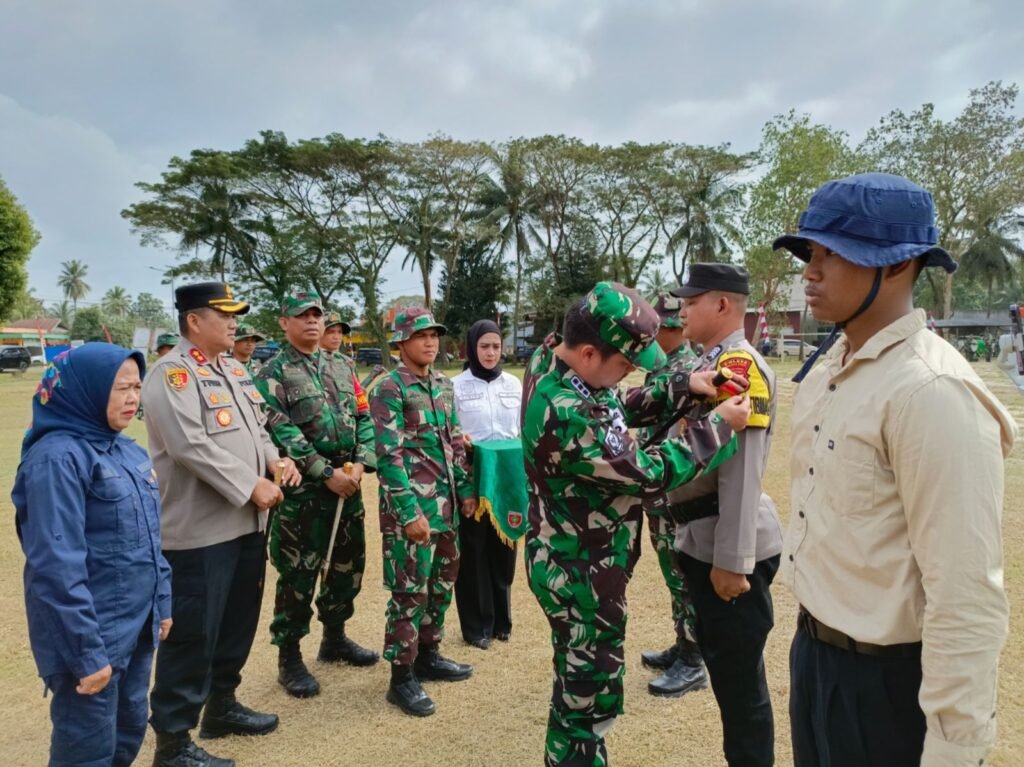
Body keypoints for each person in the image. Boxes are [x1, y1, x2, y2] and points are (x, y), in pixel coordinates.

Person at [774, 173, 1017, 766]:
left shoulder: (931, 392)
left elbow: (965, 594)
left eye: (835, 253)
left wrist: (954, 749)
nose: (812, 269)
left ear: (901, 265)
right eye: (811, 250)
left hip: (888, 689)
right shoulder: (833, 364)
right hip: (816, 658)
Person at [522, 281, 751, 766]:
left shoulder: (559, 371)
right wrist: (718, 428)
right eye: (624, 365)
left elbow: (614, 410)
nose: (628, 374)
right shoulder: (567, 412)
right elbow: (645, 473)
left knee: (581, 687)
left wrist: (681, 386)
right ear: (587, 352)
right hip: (579, 574)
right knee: (585, 699)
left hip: (577, 563)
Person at [143, 282, 301, 767]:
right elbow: (190, 446)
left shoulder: (233, 367)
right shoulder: (171, 375)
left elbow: (256, 430)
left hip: (247, 526)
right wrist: (251, 484)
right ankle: (172, 743)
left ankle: (222, 706)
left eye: (236, 315)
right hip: (200, 533)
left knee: (236, 624)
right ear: (194, 320)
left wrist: (277, 461)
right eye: (225, 314)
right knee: (193, 633)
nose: (235, 323)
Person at [13, 344, 171, 767]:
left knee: (128, 732)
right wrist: (86, 654)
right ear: (86, 390)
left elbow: (150, 539)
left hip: (135, 629)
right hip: (91, 636)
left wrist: (162, 605)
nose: (133, 398)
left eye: (137, 387)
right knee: (86, 751)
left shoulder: (126, 450)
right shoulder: (57, 458)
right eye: (120, 388)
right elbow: (55, 567)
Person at [662, 264, 784, 766]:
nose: (682, 309)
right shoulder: (709, 361)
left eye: (691, 301)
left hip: (726, 542)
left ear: (721, 305)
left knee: (740, 692)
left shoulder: (738, 365)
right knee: (731, 681)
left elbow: (741, 462)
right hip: (703, 534)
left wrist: (734, 558)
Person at [254, 291, 378, 699]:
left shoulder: (343, 365)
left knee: (347, 566)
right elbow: (279, 429)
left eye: (317, 315)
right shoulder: (272, 372)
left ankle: (335, 637)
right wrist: (324, 473)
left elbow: (363, 415)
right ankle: (289, 656)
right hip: (305, 491)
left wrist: (360, 463)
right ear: (284, 322)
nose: (312, 321)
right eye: (301, 315)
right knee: (298, 573)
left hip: (348, 484)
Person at [370, 308, 478, 718]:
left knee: (441, 585)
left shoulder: (443, 386)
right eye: (421, 336)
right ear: (401, 343)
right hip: (412, 512)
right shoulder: (389, 389)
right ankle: (401, 677)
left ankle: (428, 654)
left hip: (446, 508)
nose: (430, 342)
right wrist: (408, 512)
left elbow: (453, 442)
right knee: (409, 592)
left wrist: (466, 491)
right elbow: (388, 456)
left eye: (434, 335)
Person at [634, 293, 706, 697]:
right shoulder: (663, 367)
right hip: (657, 489)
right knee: (671, 573)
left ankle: (693, 660)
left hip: (674, 491)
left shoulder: (689, 369)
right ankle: (683, 643)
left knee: (683, 575)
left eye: (655, 327)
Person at [452, 319, 523, 649]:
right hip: (473, 478)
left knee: (504, 550)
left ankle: (502, 621)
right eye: (484, 346)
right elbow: (451, 436)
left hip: (507, 481)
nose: (491, 352)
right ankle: (477, 626)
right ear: (472, 348)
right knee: (473, 553)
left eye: (496, 346)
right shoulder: (455, 387)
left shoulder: (514, 384)